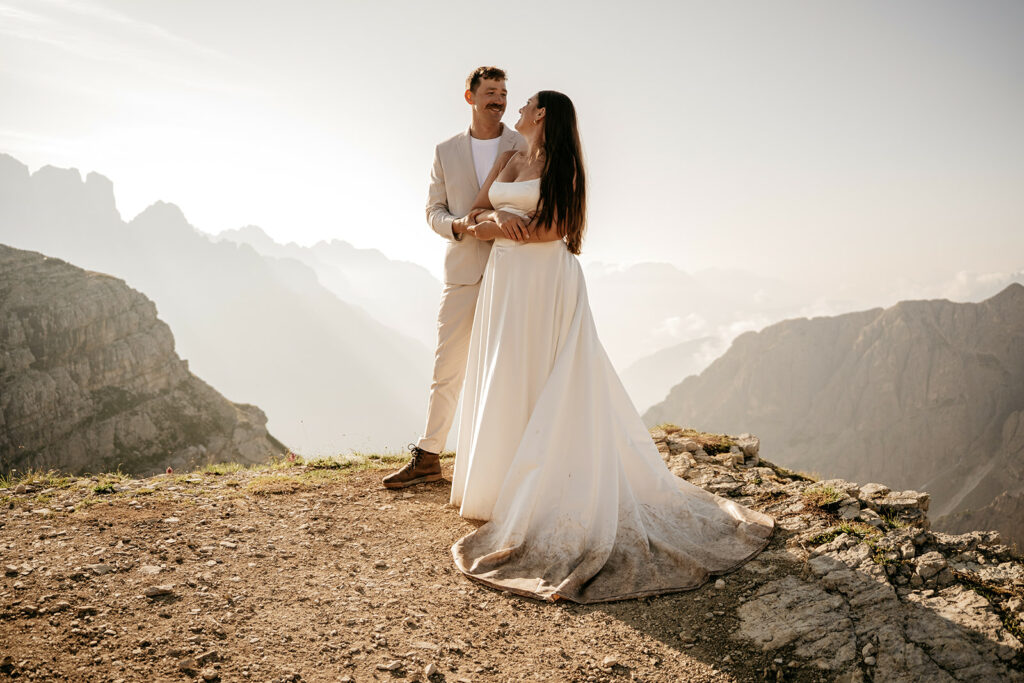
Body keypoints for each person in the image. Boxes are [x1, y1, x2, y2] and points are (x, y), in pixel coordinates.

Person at [448, 90, 776, 603]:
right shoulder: (512, 157)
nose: (516, 109)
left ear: (543, 115)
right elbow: (474, 213)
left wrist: (504, 227)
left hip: (543, 280)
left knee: (545, 372)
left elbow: (557, 228)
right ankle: (500, 484)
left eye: (525, 103)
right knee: (507, 372)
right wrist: (491, 223)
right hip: (505, 282)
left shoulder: (564, 166)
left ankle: (546, 485)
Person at [383, 67, 524, 489]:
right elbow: (433, 211)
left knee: (513, 366)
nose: (498, 100)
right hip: (462, 269)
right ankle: (428, 457)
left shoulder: (524, 142)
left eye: (503, 93)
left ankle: (511, 462)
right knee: (448, 366)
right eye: (490, 93)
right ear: (470, 97)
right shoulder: (446, 150)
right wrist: (459, 225)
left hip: (514, 267)